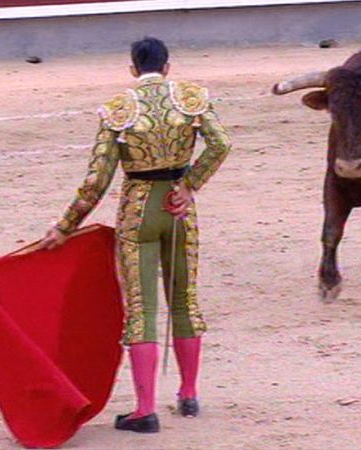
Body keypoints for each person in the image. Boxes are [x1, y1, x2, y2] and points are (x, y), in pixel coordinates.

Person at [38, 37, 231, 433]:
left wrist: (65, 227)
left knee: (142, 310)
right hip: (179, 209)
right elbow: (221, 144)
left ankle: (145, 410)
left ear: (132, 69)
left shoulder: (118, 109)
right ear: (168, 67)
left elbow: (97, 181)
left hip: (138, 209)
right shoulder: (191, 98)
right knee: (185, 302)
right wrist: (190, 184)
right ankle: (189, 394)